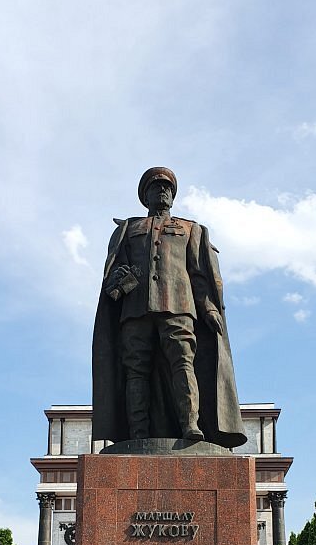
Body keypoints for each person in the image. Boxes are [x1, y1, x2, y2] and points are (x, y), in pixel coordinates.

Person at [92, 167, 246, 448]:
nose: (162, 191)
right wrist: (117, 281)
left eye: (167, 188)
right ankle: (137, 433)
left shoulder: (191, 229)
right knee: (135, 370)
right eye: (156, 188)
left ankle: (191, 425)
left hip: (179, 307)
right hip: (135, 310)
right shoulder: (129, 229)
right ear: (145, 196)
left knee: (184, 364)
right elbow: (115, 270)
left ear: (173, 195)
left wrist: (209, 307)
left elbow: (198, 274)